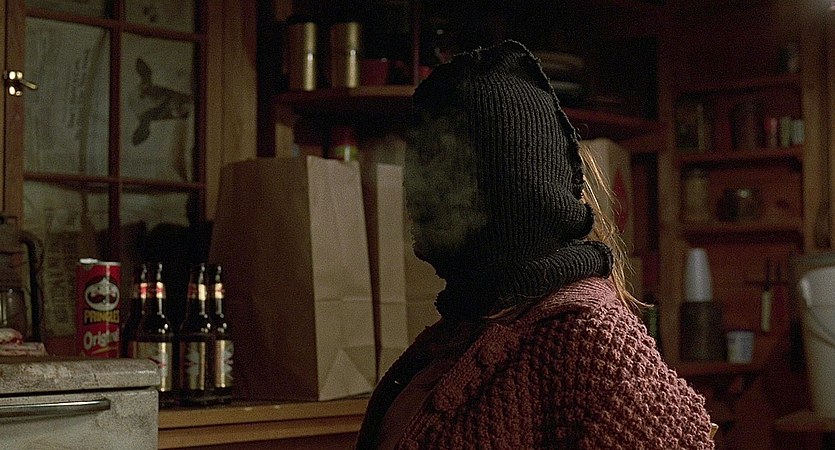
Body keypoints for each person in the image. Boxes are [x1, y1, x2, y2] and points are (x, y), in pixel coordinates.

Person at [355, 40, 715, 449]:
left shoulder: (587, 342)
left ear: (517, 189)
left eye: (445, 168)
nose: (416, 193)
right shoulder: (458, 331)